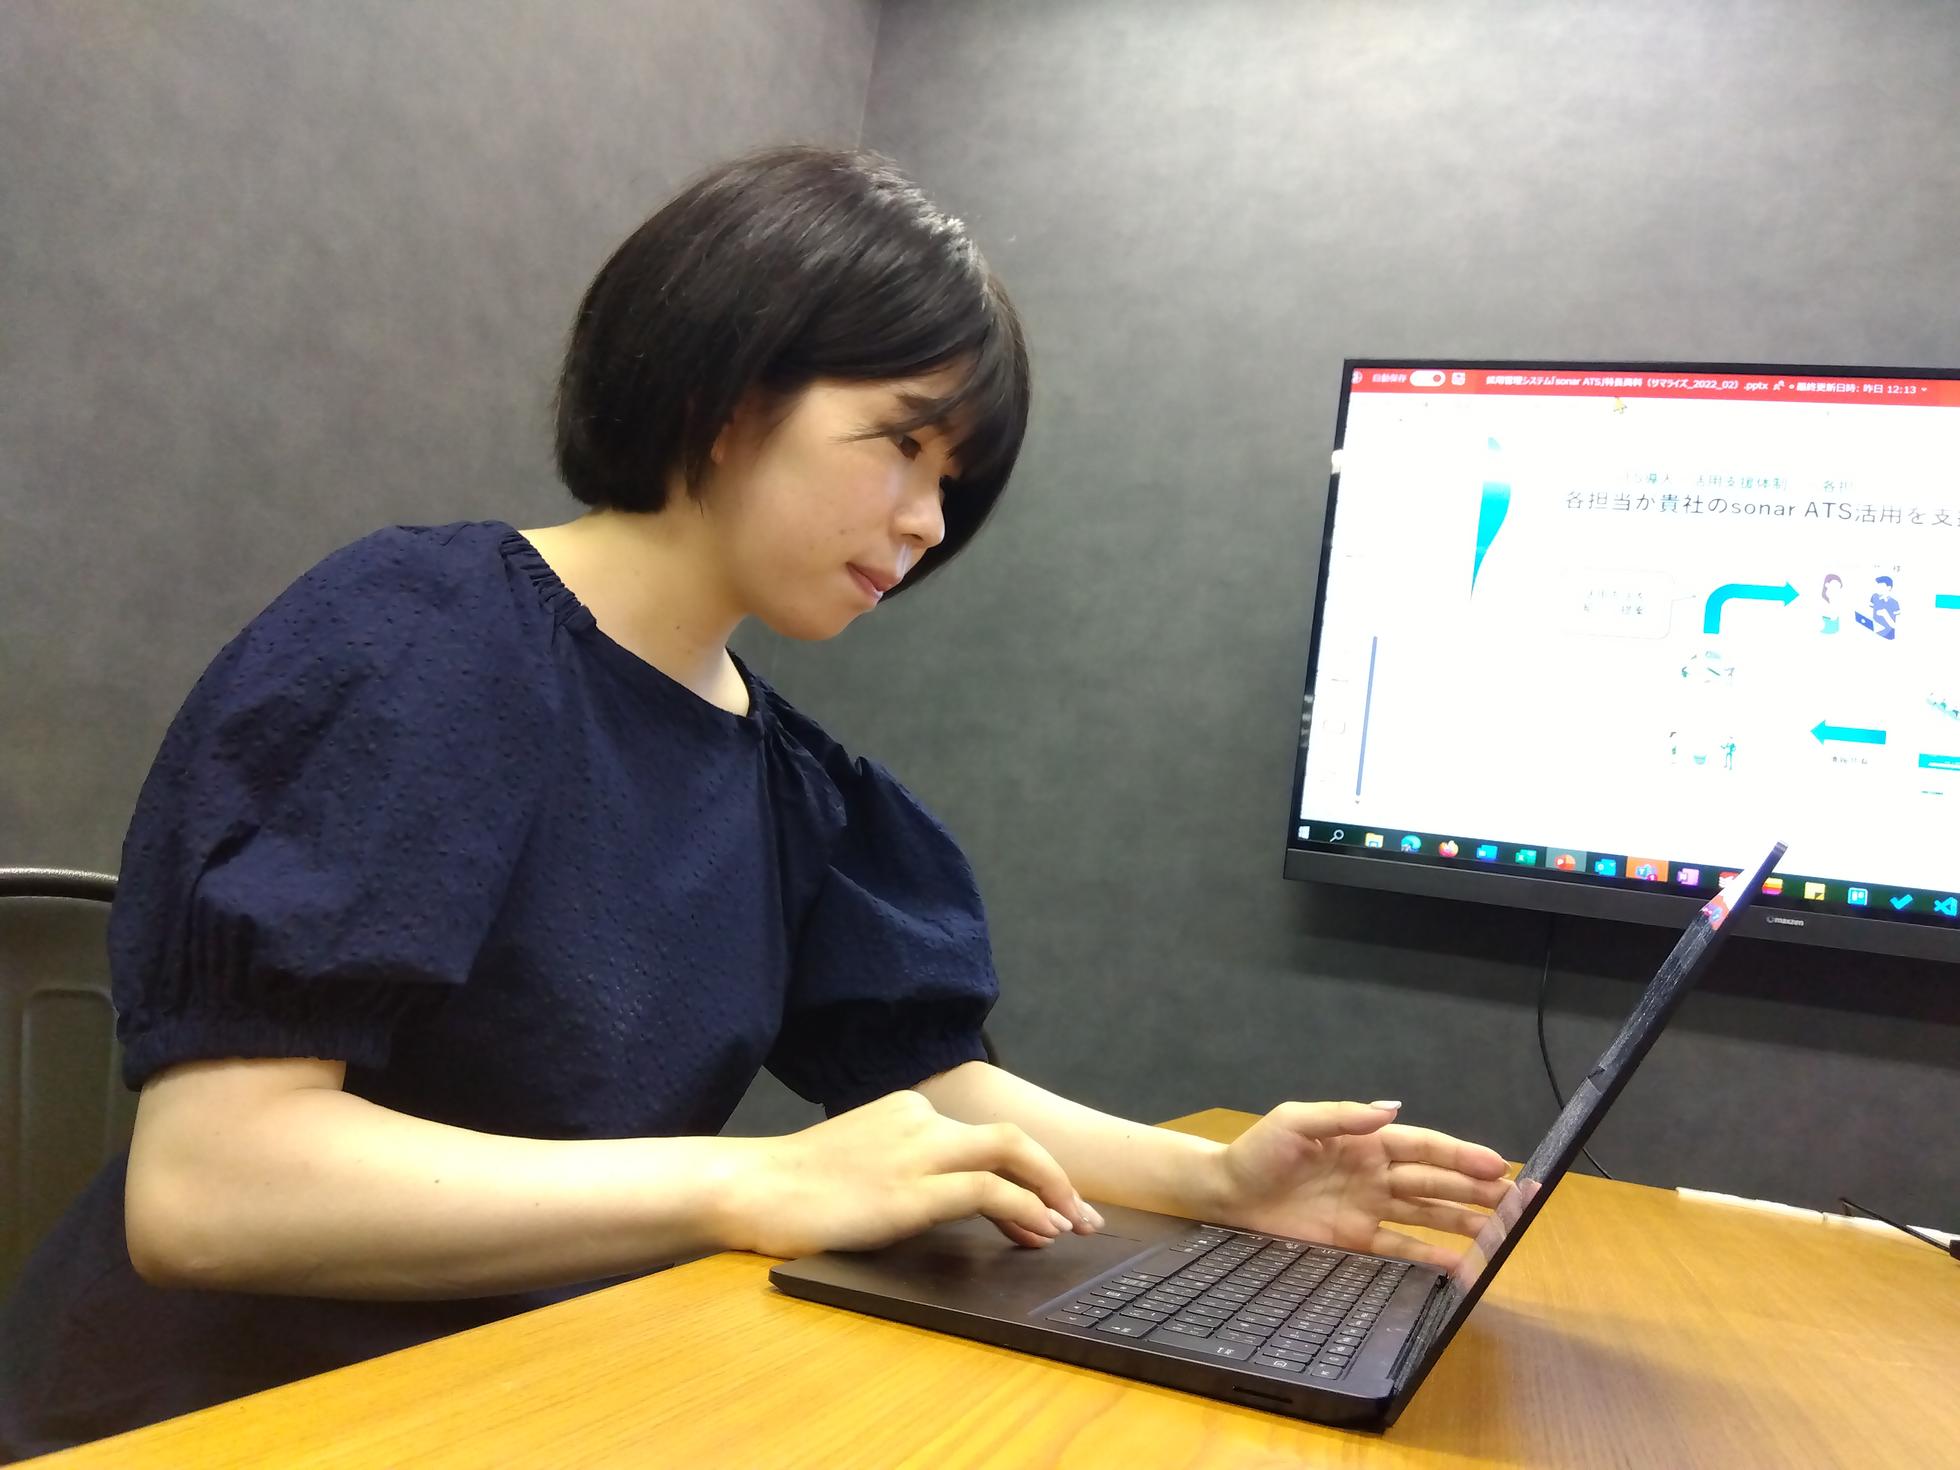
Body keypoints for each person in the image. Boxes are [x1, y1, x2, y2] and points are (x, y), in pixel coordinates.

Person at [0, 145, 1511, 1457]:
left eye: (954, 480)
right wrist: (751, 1181)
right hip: (214, 1418)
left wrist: (1214, 1177)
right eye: (903, 445)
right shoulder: (421, 643)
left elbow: (929, 1083)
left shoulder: (787, 783)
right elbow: (211, 1190)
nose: (926, 523)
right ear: (727, 397)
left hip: (517, 1392)